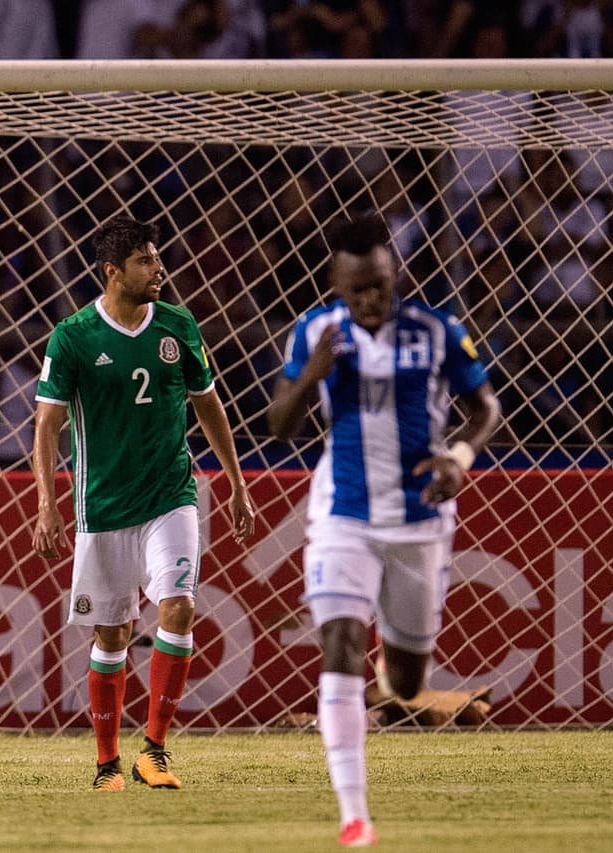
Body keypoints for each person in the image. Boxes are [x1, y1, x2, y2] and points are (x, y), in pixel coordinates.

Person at [265, 213, 501, 848]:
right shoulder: (314, 332)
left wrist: (459, 457)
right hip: (342, 515)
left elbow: (486, 407)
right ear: (335, 285)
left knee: (406, 679)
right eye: (357, 290)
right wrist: (311, 374)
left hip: (419, 521)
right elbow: (278, 426)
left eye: (380, 285)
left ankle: (397, 684)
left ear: (394, 275)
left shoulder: (436, 329)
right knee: (340, 644)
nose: (370, 299)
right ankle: (354, 815)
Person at [31, 214, 255, 792]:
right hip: (102, 506)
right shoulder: (73, 336)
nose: (159, 269)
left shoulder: (179, 324)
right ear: (113, 271)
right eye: (146, 261)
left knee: (177, 608)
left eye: (158, 258)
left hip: (170, 496)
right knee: (112, 636)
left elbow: (208, 403)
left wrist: (236, 482)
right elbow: (47, 426)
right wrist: (47, 504)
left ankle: (153, 751)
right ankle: (107, 763)